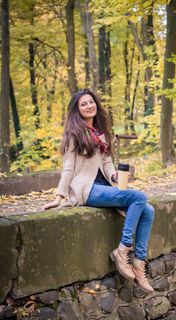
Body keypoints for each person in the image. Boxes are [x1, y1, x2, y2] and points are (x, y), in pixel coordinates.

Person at [43, 89, 155, 293]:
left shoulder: (100, 133)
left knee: (148, 209)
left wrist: (114, 177)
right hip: (87, 189)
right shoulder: (73, 135)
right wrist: (59, 196)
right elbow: (67, 168)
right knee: (139, 197)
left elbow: (107, 162)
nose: (89, 106)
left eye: (91, 102)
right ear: (77, 110)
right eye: (83, 104)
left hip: (105, 186)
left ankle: (139, 264)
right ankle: (123, 251)